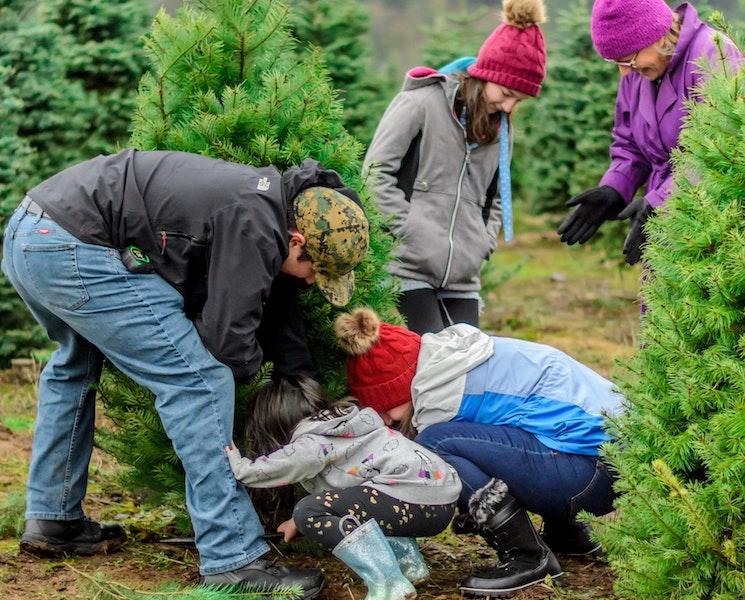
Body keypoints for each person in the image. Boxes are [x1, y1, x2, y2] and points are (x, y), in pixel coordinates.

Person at [1, 148, 369, 598]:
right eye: (314, 270)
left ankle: (53, 518)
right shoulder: (256, 224)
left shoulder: (265, 199)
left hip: (33, 232)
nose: (310, 281)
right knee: (200, 381)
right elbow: (226, 341)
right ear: (295, 241)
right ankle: (232, 557)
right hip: (73, 246)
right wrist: (256, 381)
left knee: (75, 366)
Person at [334, 307, 624, 597]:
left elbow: (430, 477)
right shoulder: (456, 358)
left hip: (591, 476)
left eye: (383, 408)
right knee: (523, 428)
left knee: (433, 444)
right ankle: (565, 534)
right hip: (614, 462)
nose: (385, 420)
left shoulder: (440, 396)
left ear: (398, 388)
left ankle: (529, 557)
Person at [363, 0, 547, 334]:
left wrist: (481, 243)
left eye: (519, 100)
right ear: (486, 75)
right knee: (431, 364)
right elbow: (376, 173)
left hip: (463, 276)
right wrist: (407, 230)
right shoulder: (421, 102)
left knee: (467, 367)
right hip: (407, 267)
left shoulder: (501, 129)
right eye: (506, 93)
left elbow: (495, 199)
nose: (509, 106)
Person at [226, 377, 461, 600]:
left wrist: (238, 466)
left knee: (308, 510)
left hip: (413, 498)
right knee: (368, 503)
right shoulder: (346, 425)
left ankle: (390, 585)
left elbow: (276, 467)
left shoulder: (312, 441)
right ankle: (409, 565)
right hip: (439, 500)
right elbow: (353, 499)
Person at [557, 0, 742, 265]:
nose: (624, 71)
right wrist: (615, 188)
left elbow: (719, 148)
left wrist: (660, 202)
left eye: (628, 59)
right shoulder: (638, 72)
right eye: (616, 62)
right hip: (664, 220)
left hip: (715, 221)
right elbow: (630, 144)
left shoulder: (713, 54)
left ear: (655, 35)